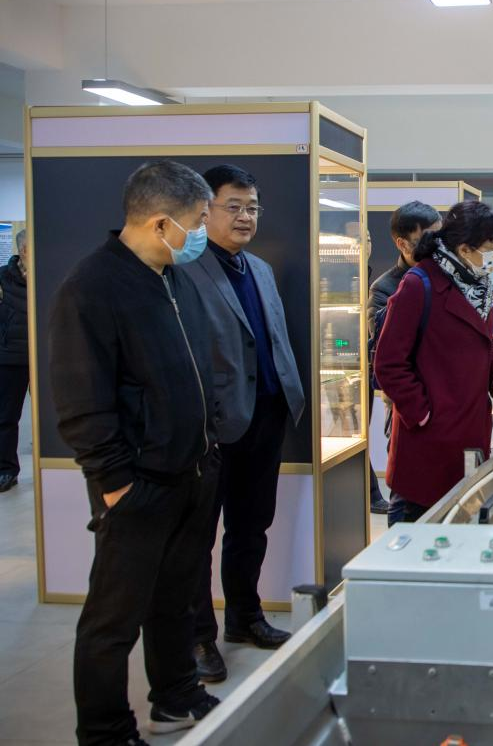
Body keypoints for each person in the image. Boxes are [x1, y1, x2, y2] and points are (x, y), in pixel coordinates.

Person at [49, 160, 221, 745]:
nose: (202, 233)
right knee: (113, 620)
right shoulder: (91, 288)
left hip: (190, 471)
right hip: (137, 484)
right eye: (197, 221)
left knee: (175, 601)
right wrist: (117, 483)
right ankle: (105, 730)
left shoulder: (174, 277)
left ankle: (176, 696)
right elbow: (81, 400)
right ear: (161, 223)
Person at [183, 164, 306, 683]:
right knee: (197, 537)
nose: (245, 217)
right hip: (211, 428)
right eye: (232, 206)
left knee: (252, 526)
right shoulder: (183, 269)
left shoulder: (258, 268)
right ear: (204, 210)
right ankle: (198, 639)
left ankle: (245, 616)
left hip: (267, 416)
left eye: (252, 207)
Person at [375, 200, 493, 526]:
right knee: (417, 535)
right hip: (427, 441)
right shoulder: (419, 284)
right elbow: (389, 364)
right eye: (490, 249)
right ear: (464, 249)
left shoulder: (480, 287)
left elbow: (486, 345)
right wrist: (423, 414)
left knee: (459, 530)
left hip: (469, 434)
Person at [367, 201, 442, 515]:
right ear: (402, 243)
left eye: (440, 237)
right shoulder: (385, 289)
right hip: (411, 410)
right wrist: (418, 411)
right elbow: (388, 356)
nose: (437, 246)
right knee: (409, 495)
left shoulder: (448, 278)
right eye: (427, 239)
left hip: (447, 406)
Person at [0, 228, 30, 492]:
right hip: (11, 358)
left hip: (46, 358)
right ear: (24, 251)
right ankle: (6, 470)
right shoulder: (3, 278)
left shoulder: (50, 275)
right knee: (6, 417)